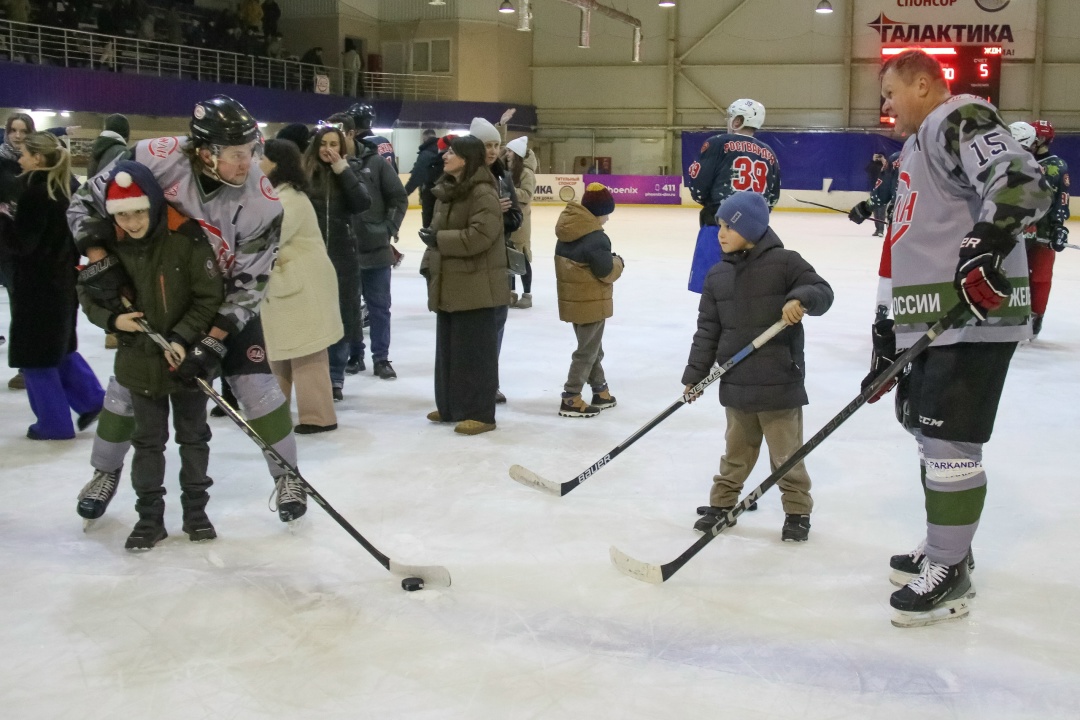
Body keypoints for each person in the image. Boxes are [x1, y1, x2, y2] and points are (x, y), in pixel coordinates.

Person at [868, 50, 1050, 627]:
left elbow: (1021, 180)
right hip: (930, 319)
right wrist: (886, 326)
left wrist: (985, 247)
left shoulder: (958, 116)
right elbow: (908, 237)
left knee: (951, 446)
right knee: (928, 435)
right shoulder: (915, 145)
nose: (886, 106)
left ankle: (950, 570)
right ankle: (947, 545)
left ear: (924, 84)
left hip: (969, 318)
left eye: (892, 93)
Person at [67, 95, 307, 528]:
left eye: (251, 150)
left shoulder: (264, 203)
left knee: (257, 387)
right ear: (205, 151)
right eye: (237, 154)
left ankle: (288, 477)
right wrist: (99, 254)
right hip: (158, 294)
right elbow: (84, 203)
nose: (248, 162)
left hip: (219, 302)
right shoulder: (150, 157)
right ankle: (104, 474)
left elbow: (250, 283)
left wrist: (214, 340)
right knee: (128, 389)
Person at [77, 162, 223, 549]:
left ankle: (196, 512)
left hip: (186, 360)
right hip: (139, 364)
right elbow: (87, 293)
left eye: (139, 211)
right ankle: (150, 518)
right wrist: (114, 320)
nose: (133, 221)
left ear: (154, 205)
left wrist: (181, 337)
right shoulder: (108, 246)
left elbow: (208, 298)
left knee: (193, 438)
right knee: (147, 443)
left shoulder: (185, 238)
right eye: (123, 214)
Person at [683, 191, 832, 541]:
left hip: (779, 381)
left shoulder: (785, 263)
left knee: (787, 456)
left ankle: (797, 511)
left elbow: (822, 291)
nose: (720, 233)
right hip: (736, 382)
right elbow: (708, 330)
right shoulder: (717, 275)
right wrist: (695, 376)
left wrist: (801, 299)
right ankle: (723, 504)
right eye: (719, 225)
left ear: (750, 229)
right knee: (736, 452)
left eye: (728, 226)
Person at [4, 131, 105, 440]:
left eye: (23, 153)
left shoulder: (35, 194)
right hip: (62, 282)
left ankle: (53, 423)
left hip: (36, 287)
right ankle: (92, 399)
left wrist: (4, 221)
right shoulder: (66, 189)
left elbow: (24, 245)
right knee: (60, 346)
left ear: (37, 158)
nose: (19, 158)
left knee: (35, 356)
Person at [419, 135, 509, 435]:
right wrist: (428, 263)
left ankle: (481, 414)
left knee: (475, 355)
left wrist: (439, 241)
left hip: (476, 287)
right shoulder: (449, 191)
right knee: (449, 352)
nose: (445, 157)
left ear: (467, 159)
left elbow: (480, 237)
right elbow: (435, 231)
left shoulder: (482, 193)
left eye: (452, 153)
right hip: (450, 284)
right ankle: (451, 406)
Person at [260, 139, 343, 433]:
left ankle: (319, 416)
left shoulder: (289, 199)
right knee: (280, 353)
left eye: (263, 158)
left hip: (302, 287)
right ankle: (274, 412)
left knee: (306, 353)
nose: (258, 162)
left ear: (276, 164)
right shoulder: (277, 195)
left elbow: (270, 239)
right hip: (289, 287)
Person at [326, 111, 407, 380]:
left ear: (350, 134)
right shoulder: (325, 167)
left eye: (337, 137)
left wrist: (387, 229)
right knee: (347, 307)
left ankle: (381, 358)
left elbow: (398, 197)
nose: (330, 145)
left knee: (379, 307)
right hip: (341, 252)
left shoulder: (376, 163)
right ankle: (354, 354)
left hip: (376, 250)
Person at [302, 123, 371, 400]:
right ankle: (312, 376)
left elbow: (362, 202)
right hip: (310, 256)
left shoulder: (348, 171)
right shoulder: (304, 173)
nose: (328, 149)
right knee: (313, 318)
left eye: (333, 144)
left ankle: (334, 378)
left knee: (340, 317)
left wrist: (343, 171)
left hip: (342, 257)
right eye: (323, 144)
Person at [554, 182, 624, 418]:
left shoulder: (569, 230)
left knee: (592, 348)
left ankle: (600, 390)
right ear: (600, 211)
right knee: (587, 351)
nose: (608, 219)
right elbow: (605, 272)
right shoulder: (595, 237)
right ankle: (571, 396)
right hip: (590, 300)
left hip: (574, 300)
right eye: (607, 213)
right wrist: (619, 262)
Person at [469, 115, 521, 403]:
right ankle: (467, 383)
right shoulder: (460, 178)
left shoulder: (503, 178)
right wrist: (489, 210)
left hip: (499, 261)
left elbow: (516, 217)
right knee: (474, 329)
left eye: (496, 145)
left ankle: (490, 383)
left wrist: (503, 214)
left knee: (497, 325)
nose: (492, 151)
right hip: (472, 264)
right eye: (486, 145)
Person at [1008, 120, 1069, 338]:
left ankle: (1036, 315)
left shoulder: (1057, 165)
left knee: (1040, 276)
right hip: (1017, 228)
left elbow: (1062, 198)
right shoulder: (1018, 160)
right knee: (1014, 273)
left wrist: (1059, 227)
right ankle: (1013, 313)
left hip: (1043, 230)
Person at [1, 112, 34, 389]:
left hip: (26, 248)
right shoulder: (1, 162)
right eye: (13, 130)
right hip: (4, 245)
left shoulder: (37, 164)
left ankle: (28, 366)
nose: (18, 135)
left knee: (23, 307)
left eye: (23, 130)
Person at [506, 135, 537, 309]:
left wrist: (508, 190)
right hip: (509, 220)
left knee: (522, 258)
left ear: (517, 154)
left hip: (521, 221)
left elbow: (526, 195)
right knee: (508, 259)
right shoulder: (509, 170)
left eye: (510, 151)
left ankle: (527, 294)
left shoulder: (526, 173)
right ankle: (510, 292)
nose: (507, 153)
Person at [404, 128, 440, 228]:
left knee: (429, 225)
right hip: (443, 195)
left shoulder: (425, 154)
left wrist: (404, 193)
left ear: (424, 139)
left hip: (430, 194)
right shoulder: (443, 151)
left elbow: (417, 176)